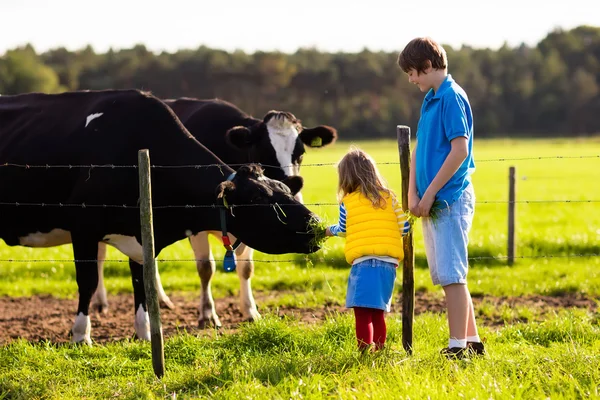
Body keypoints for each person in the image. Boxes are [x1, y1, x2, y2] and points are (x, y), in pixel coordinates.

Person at [397, 37, 485, 358]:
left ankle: (456, 348)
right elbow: (422, 147)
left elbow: (460, 150)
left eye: (413, 73)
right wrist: (412, 192)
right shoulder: (432, 98)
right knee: (449, 274)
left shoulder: (451, 97)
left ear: (429, 65)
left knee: (452, 276)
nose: (411, 79)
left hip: (449, 199)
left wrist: (430, 193)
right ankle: (473, 343)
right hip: (431, 200)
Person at [326, 147, 411, 352]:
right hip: (388, 264)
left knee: (362, 313)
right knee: (378, 312)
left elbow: (343, 229)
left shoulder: (348, 202)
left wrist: (328, 231)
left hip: (364, 262)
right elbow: (405, 227)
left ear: (345, 178)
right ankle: (380, 349)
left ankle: (364, 351)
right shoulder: (389, 197)